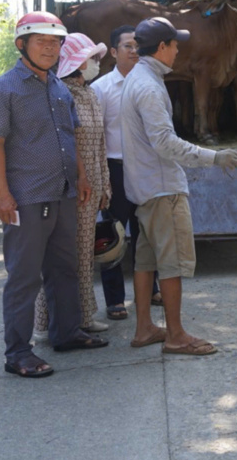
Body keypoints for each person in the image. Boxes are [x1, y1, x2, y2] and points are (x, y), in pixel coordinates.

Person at [0, 12, 109, 379]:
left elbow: (70, 136)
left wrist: (82, 177)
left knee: (64, 268)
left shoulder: (57, 87)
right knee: (24, 278)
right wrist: (2, 195)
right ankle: (18, 352)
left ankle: (66, 332)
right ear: (22, 44)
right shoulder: (2, 90)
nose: (50, 49)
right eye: (41, 41)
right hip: (26, 198)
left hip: (65, 192)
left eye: (55, 43)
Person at [120, 16, 237, 355]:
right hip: (161, 189)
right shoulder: (147, 86)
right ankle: (176, 335)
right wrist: (213, 157)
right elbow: (165, 143)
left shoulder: (139, 78)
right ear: (161, 47)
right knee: (172, 263)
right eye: (175, 44)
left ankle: (145, 328)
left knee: (146, 261)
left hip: (144, 187)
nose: (179, 50)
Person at [33, 33, 112, 337]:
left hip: (91, 190)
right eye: (92, 59)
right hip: (69, 190)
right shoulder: (58, 94)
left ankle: (83, 317)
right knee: (61, 258)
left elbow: (100, 145)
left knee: (83, 256)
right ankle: (44, 323)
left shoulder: (89, 95)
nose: (96, 64)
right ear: (77, 63)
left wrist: (104, 184)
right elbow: (59, 145)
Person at [92, 25, 162, 320]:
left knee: (147, 232)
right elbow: (95, 139)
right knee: (113, 236)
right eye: (128, 46)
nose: (134, 51)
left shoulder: (152, 83)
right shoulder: (100, 89)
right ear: (113, 52)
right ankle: (115, 299)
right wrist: (100, 179)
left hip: (145, 169)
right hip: (115, 170)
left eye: (138, 46)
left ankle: (153, 288)